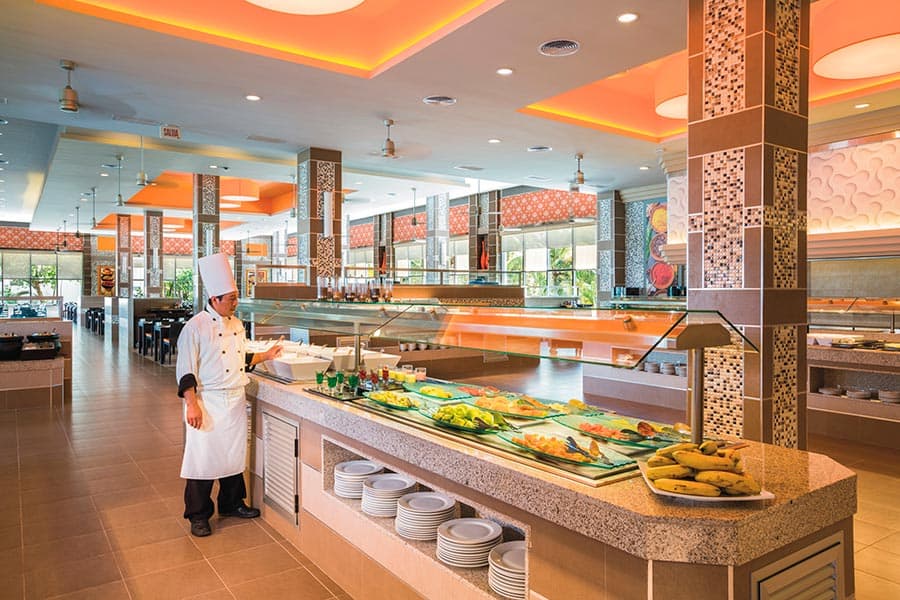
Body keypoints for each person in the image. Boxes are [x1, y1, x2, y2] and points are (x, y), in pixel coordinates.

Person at [176, 253, 282, 537]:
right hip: (207, 401)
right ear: (215, 299)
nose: (236, 303)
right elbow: (185, 370)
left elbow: (238, 359)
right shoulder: (195, 326)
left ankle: (232, 503)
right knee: (202, 460)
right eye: (232, 298)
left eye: (236, 298)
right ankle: (198, 515)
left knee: (233, 456)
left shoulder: (236, 324)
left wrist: (266, 355)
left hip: (235, 398)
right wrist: (192, 405)